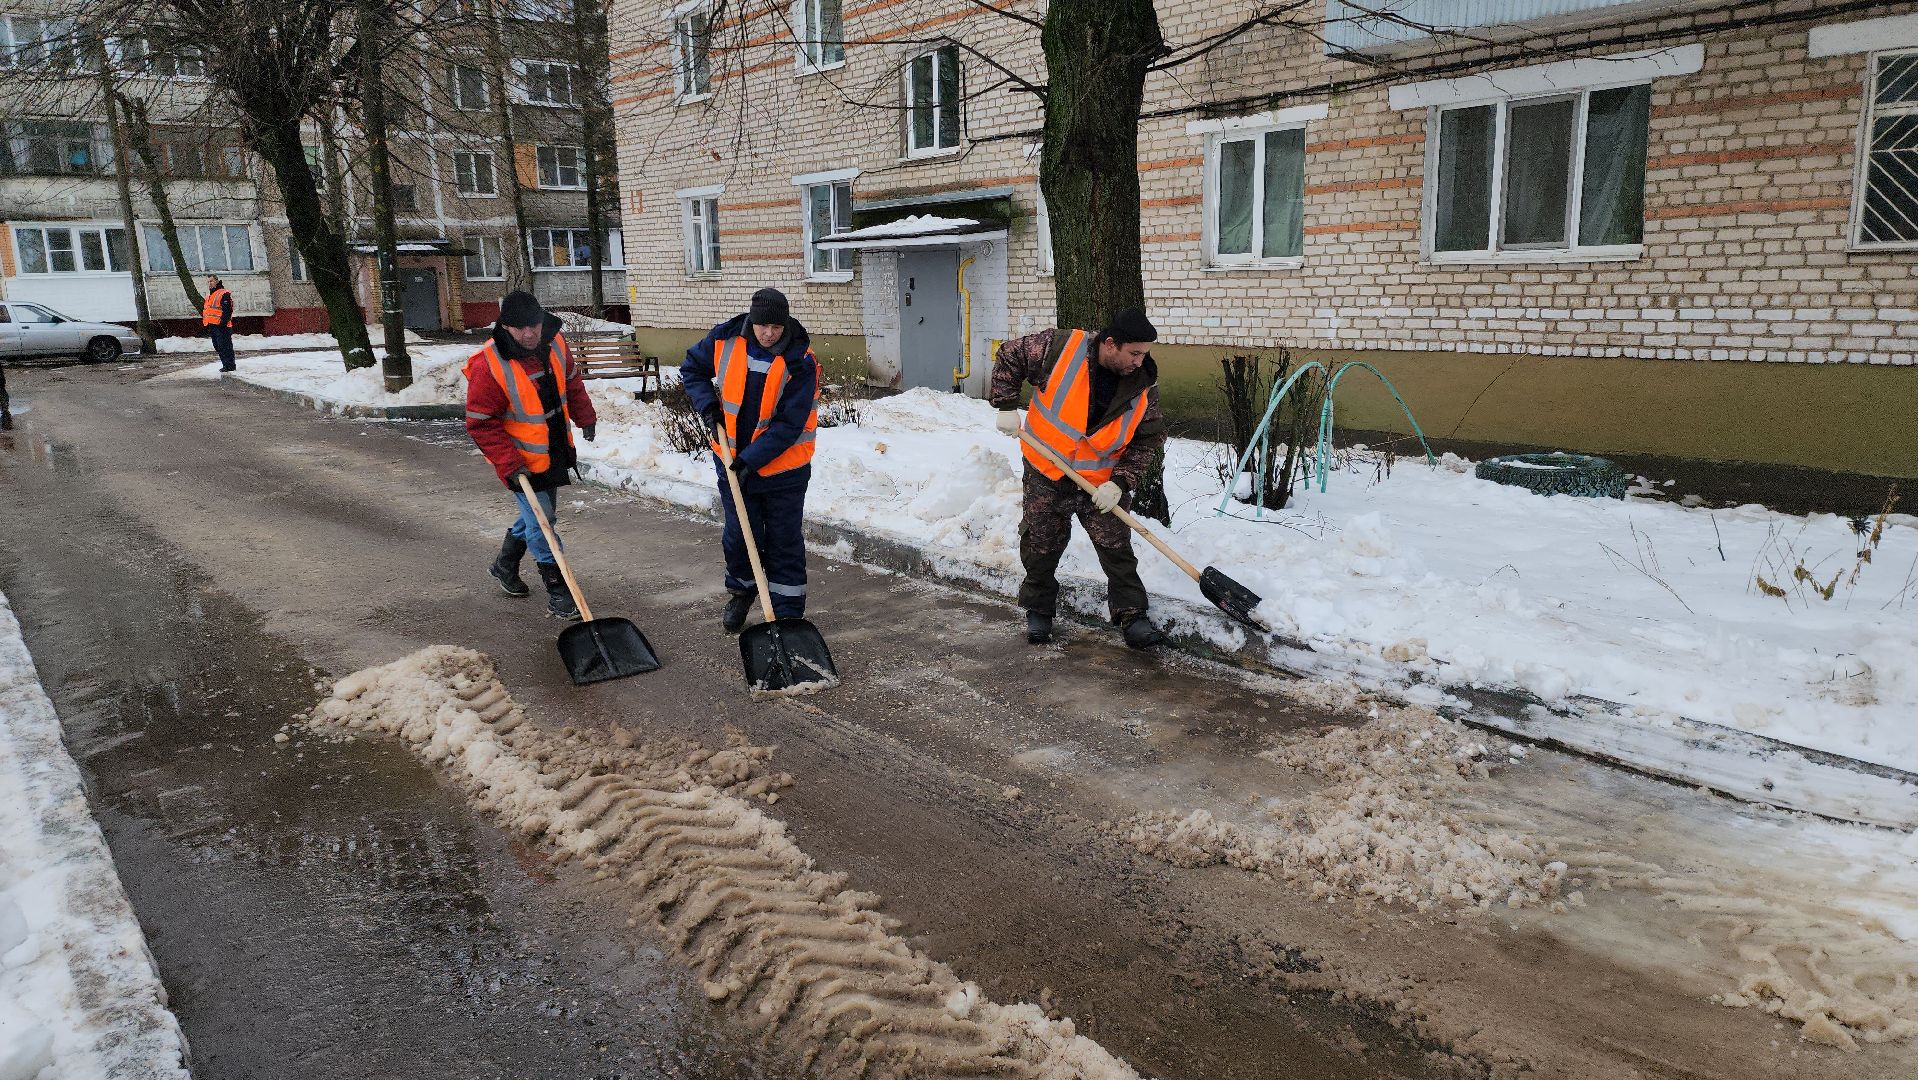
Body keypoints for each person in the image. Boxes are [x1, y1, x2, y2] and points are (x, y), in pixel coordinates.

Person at [990, 307, 1169, 649]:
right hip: (1047, 471)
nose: (1139, 361)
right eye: (1134, 353)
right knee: (1042, 544)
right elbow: (1011, 354)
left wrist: (1120, 483)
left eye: (1144, 353)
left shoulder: (1143, 388)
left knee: (1115, 548)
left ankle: (1133, 616)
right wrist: (1005, 405)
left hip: (1101, 484)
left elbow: (1147, 441)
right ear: (1111, 344)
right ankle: (1039, 610)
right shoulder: (1059, 349)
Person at [681, 288, 820, 634]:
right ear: (751, 320)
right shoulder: (725, 339)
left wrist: (750, 461)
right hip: (729, 460)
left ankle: (787, 615)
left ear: (785, 323)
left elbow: (790, 424)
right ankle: (742, 592)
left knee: (783, 540)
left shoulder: (801, 361)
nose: (769, 333)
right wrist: (707, 405)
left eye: (776, 326)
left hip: (783, 469)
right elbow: (692, 369)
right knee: (739, 535)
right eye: (762, 326)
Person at [463, 290, 598, 620]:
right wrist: (510, 464)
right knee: (543, 520)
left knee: (540, 513)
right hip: (518, 458)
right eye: (520, 328)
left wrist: (586, 417)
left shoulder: (555, 343)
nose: (529, 334)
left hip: (552, 448)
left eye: (534, 326)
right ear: (505, 327)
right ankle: (558, 590)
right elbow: (481, 424)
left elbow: (572, 382)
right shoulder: (488, 366)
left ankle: (504, 565)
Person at [203, 275, 236, 372]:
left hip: (222, 326)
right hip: (212, 326)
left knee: (225, 346)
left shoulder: (223, 293)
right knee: (218, 346)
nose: (210, 283)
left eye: (212, 281)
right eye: (208, 282)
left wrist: (222, 323)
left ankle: (229, 366)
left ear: (217, 281)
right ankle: (226, 365)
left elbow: (228, 310)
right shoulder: (209, 296)